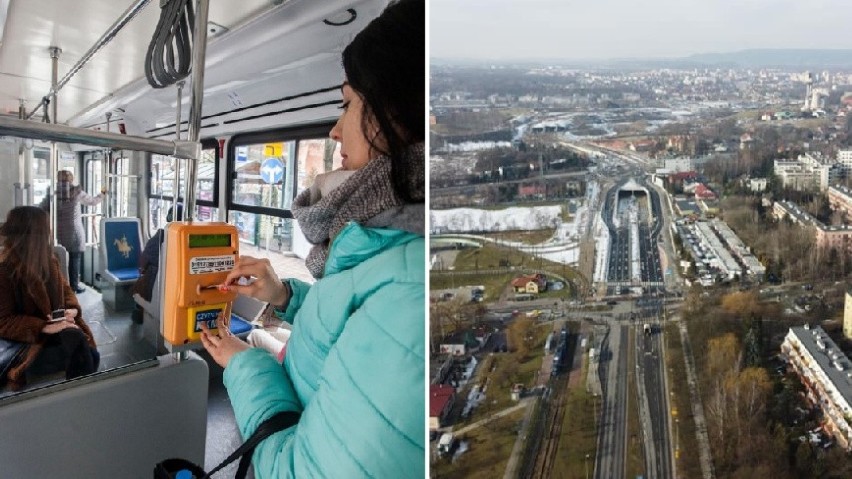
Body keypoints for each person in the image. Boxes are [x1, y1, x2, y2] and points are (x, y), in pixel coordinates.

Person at [199, 0, 425, 477]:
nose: (335, 128)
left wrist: (245, 365)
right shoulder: (388, 244)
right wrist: (284, 296)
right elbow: (355, 326)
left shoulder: (413, 295)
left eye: (348, 103)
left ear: (398, 114)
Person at [0, 206, 99, 390]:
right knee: (83, 350)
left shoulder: (49, 260)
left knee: (89, 353)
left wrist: (72, 309)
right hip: (27, 341)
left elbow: (66, 290)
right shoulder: (4, 270)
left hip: (54, 329)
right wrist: (44, 327)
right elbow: (3, 321)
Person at [40, 170, 107, 294]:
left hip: (58, 232)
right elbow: (93, 201)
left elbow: (42, 207)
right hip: (74, 231)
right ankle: (73, 287)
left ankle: (60, 286)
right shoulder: (77, 192)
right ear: (71, 179)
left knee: (59, 259)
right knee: (74, 259)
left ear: (58, 178)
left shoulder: (52, 193)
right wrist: (103, 192)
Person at [130, 204, 183, 324]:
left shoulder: (160, 236)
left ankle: (139, 309)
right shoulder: (187, 239)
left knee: (142, 282)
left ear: (169, 217)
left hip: (157, 286)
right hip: (179, 289)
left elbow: (143, 261)